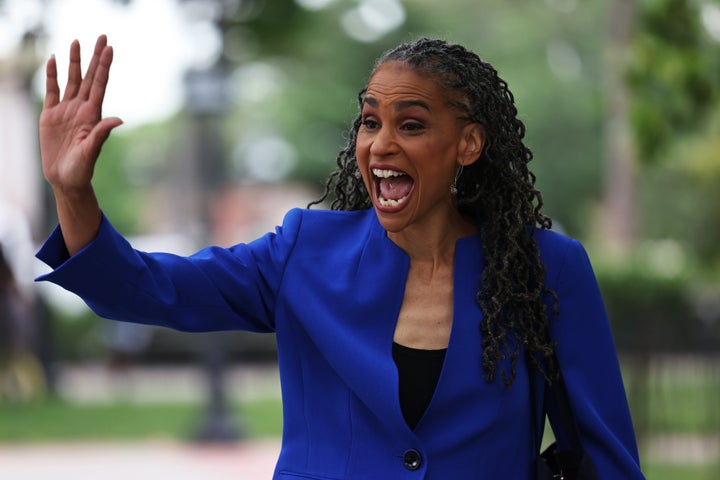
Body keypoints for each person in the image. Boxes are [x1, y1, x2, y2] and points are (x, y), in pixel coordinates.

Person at [35, 35, 645, 478]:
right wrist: (72, 190)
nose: (380, 144)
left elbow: (601, 455)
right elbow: (143, 287)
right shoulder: (304, 250)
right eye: (370, 121)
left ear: (468, 143)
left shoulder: (544, 268)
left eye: (410, 125)